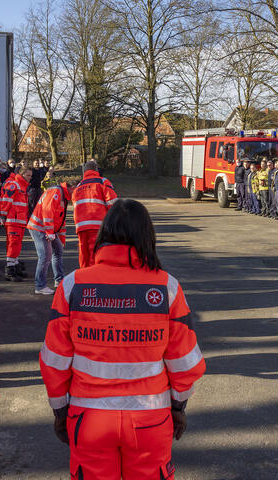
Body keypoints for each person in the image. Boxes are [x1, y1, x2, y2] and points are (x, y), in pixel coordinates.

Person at [39, 199, 205, 479]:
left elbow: (54, 360)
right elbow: (184, 362)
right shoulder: (167, 287)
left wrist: (60, 411)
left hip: (88, 418)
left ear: (104, 234)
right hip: (151, 419)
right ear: (147, 235)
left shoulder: (72, 286)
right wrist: (178, 407)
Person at [27, 180, 72, 295]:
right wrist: (49, 232)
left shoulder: (62, 195)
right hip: (39, 228)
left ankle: (59, 280)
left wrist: (60, 239)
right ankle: (40, 286)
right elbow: (47, 212)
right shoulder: (57, 192)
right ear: (72, 188)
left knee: (57, 251)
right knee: (45, 256)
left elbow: (60, 221)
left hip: (46, 229)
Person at [72, 160, 118, 268]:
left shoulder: (79, 186)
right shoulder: (102, 182)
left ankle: (83, 278)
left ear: (85, 171)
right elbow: (113, 203)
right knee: (95, 253)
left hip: (81, 226)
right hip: (97, 224)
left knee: (83, 254)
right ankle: (94, 279)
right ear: (96, 169)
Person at [0, 164, 32, 281]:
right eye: (28, 175)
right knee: (13, 244)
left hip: (19, 220)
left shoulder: (21, 186)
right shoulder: (14, 185)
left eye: (30, 175)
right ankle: (10, 269)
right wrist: (3, 215)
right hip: (14, 220)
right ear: (22, 174)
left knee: (17, 244)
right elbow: (5, 201)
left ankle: (14, 266)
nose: (30, 178)